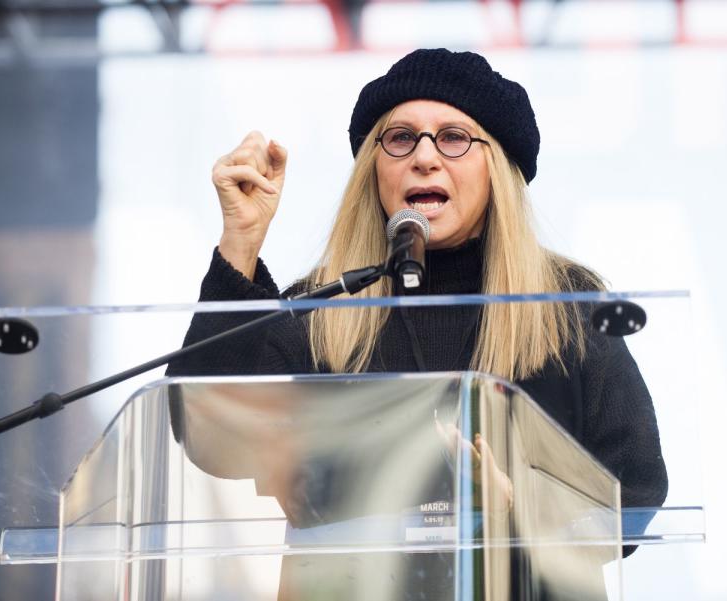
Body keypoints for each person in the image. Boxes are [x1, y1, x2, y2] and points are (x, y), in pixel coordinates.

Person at [169, 48, 667, 599]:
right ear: (374, 169)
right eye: (401, 138)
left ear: (497, 167)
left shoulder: (568, 307)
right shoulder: (323, 313)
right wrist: (242, 240)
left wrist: (514, 506)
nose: (425, 158)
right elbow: (208, 434)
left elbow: (636, 491)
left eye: (454, 137)